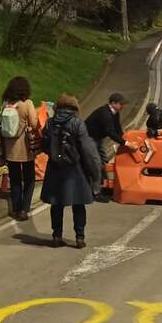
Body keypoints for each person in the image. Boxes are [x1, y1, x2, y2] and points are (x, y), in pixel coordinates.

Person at [40, 94, 101, 248]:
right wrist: (95, 173)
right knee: (78, 204)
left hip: (54, 168)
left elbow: (45, 145)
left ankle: (57, 236)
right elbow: (87, 150)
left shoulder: (50, 123)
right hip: (74, 169)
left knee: (56, 204)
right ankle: (79, 237)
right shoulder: (77, 123)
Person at [0, 76, 40, 221]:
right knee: (29, 178)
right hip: (25, 147)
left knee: (15, 179)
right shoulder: (27, 103)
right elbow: (34, 124)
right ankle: (24, 209)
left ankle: (16, 208)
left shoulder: (6, 104)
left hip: (10, 148)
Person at [85, 93, 133, 198]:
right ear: (113, 103)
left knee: (104, 161)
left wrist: (124, 139)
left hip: (98, 138)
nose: (122, 106)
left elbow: (117, 129)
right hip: (89, 139)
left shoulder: (115, 113)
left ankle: (105, 186)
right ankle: (96, 192)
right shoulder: (105, 113)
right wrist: (126, 143)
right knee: (96, 164)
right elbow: (110, 131)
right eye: (121, 104)